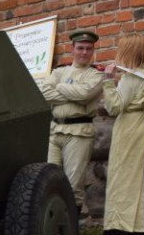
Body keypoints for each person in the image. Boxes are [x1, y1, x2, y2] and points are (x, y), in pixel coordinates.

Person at [94, 34, 144, 235]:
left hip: (131, 132)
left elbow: (115, 107)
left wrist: (108, 81)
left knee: (123, 184)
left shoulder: (130, 79)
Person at [39, 30, 105, 215]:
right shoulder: (60, 71)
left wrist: (59, 87)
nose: (84, 52)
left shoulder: (96, 75)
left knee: (73, 184)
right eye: (80, 48)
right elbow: (44, 94)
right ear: (72, 49)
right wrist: (72, 93)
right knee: (48, 180)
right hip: (55, 130)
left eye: (88, 49)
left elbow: (85, 95)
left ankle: (71, 232)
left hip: (79, 132)